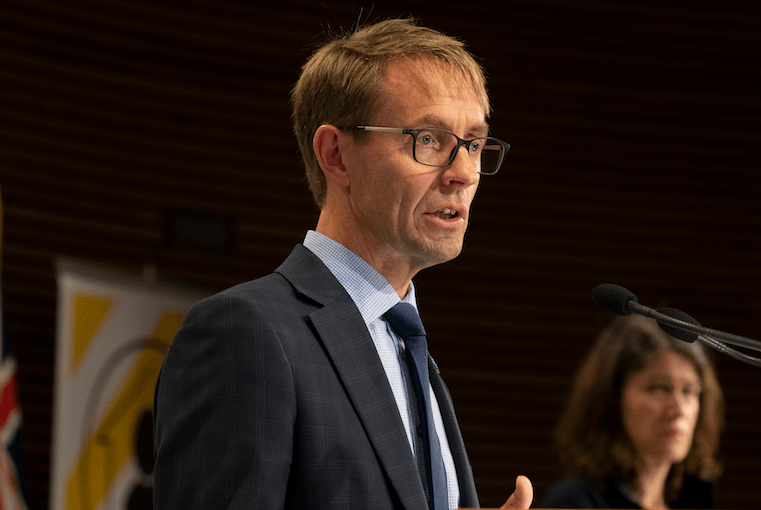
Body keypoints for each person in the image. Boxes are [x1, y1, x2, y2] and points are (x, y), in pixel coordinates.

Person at [152, 17, 533, 510]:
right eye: (429, 140)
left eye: (474, 144)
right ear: (336, 154)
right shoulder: (245, 333)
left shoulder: (412, 352)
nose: (462, 173)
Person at [542, 314, 724, 509]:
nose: (679, 409)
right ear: (613, 398)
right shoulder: (575, 501)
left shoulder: (695, 499)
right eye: (659, 388)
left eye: (688, 391)